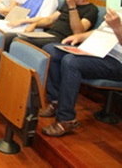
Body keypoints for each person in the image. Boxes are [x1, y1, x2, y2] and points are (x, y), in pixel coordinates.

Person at [40, 8, 122, 137]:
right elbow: (101, 31)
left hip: (117, 62)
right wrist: (79, 36)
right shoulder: (119, 10)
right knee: (51, 49)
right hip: (98, 51)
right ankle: (55, 101)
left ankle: (66, 119)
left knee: (71, 62)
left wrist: (117, 27)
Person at [13, 0, 98, 49]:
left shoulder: (91, 9)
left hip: (64, 39)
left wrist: (72, 7)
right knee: (13, 37)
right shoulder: (67, 3)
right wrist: (35, 24)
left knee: (21, 41)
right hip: (50, 34)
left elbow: (78, 32)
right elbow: (50, 19)